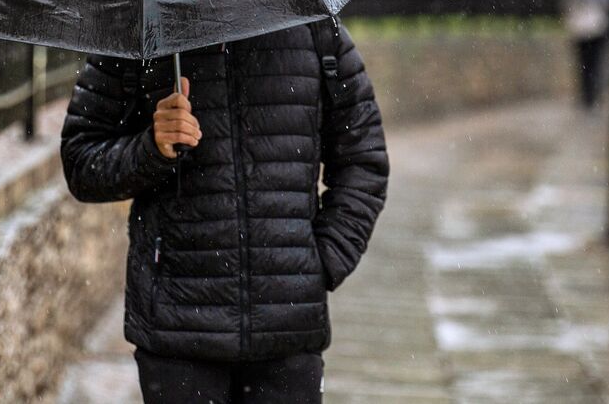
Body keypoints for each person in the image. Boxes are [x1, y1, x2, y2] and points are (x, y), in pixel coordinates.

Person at [60, 21, 388, 404]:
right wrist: (153, 148)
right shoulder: (140, 34)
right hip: (178, 328)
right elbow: (81, 163)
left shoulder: (315, 30)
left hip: (287, 331)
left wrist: (321, 262)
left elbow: (363, 161)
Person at [561, 0, 609, 109]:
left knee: (584, 65)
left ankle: (587, 95)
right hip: (596, 28)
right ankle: (593, 93)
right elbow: (607, 5)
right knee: (595, 63)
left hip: (580, 29)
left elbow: (567, 8)